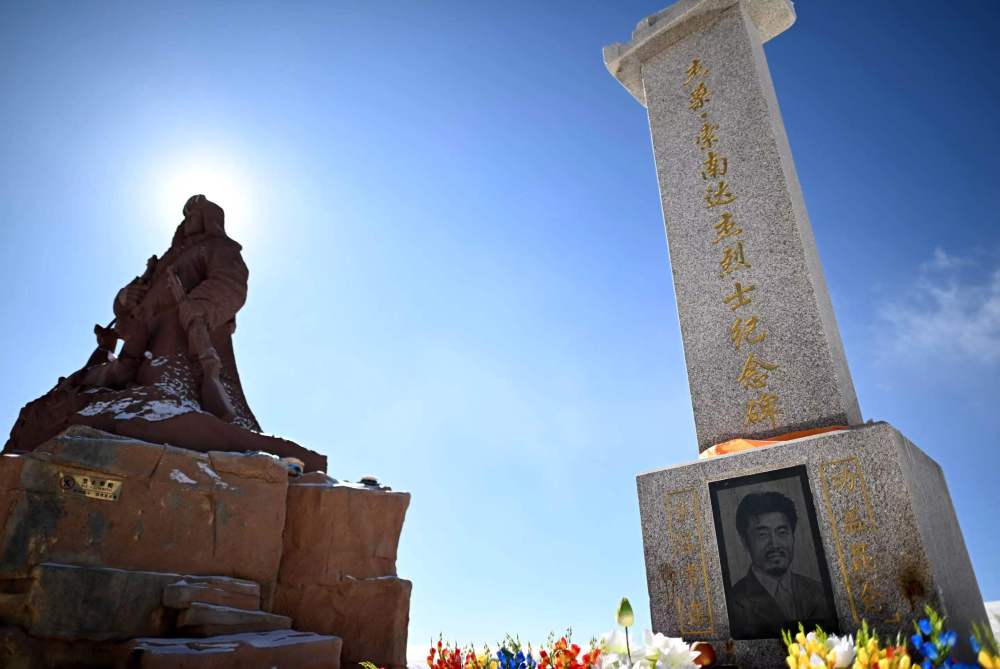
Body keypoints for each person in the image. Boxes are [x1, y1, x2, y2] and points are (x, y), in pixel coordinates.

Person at [4, 195, 326, 473]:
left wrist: (198, 307)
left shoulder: (219, 247)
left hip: (182, 336)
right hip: (144, 339)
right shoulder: (161, 263)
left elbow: (230, 283)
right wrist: (124, 299)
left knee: (174, 392)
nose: (188, 220)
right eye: (185, 215)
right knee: (112, 378)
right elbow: (132, 303)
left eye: (194, 214)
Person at [729, 491, 831, 637]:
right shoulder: (734, 602)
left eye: (782, 532)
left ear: (793, 536)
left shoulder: (818, 591)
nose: (775, 544)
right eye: (763, 534)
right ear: (745, 542)